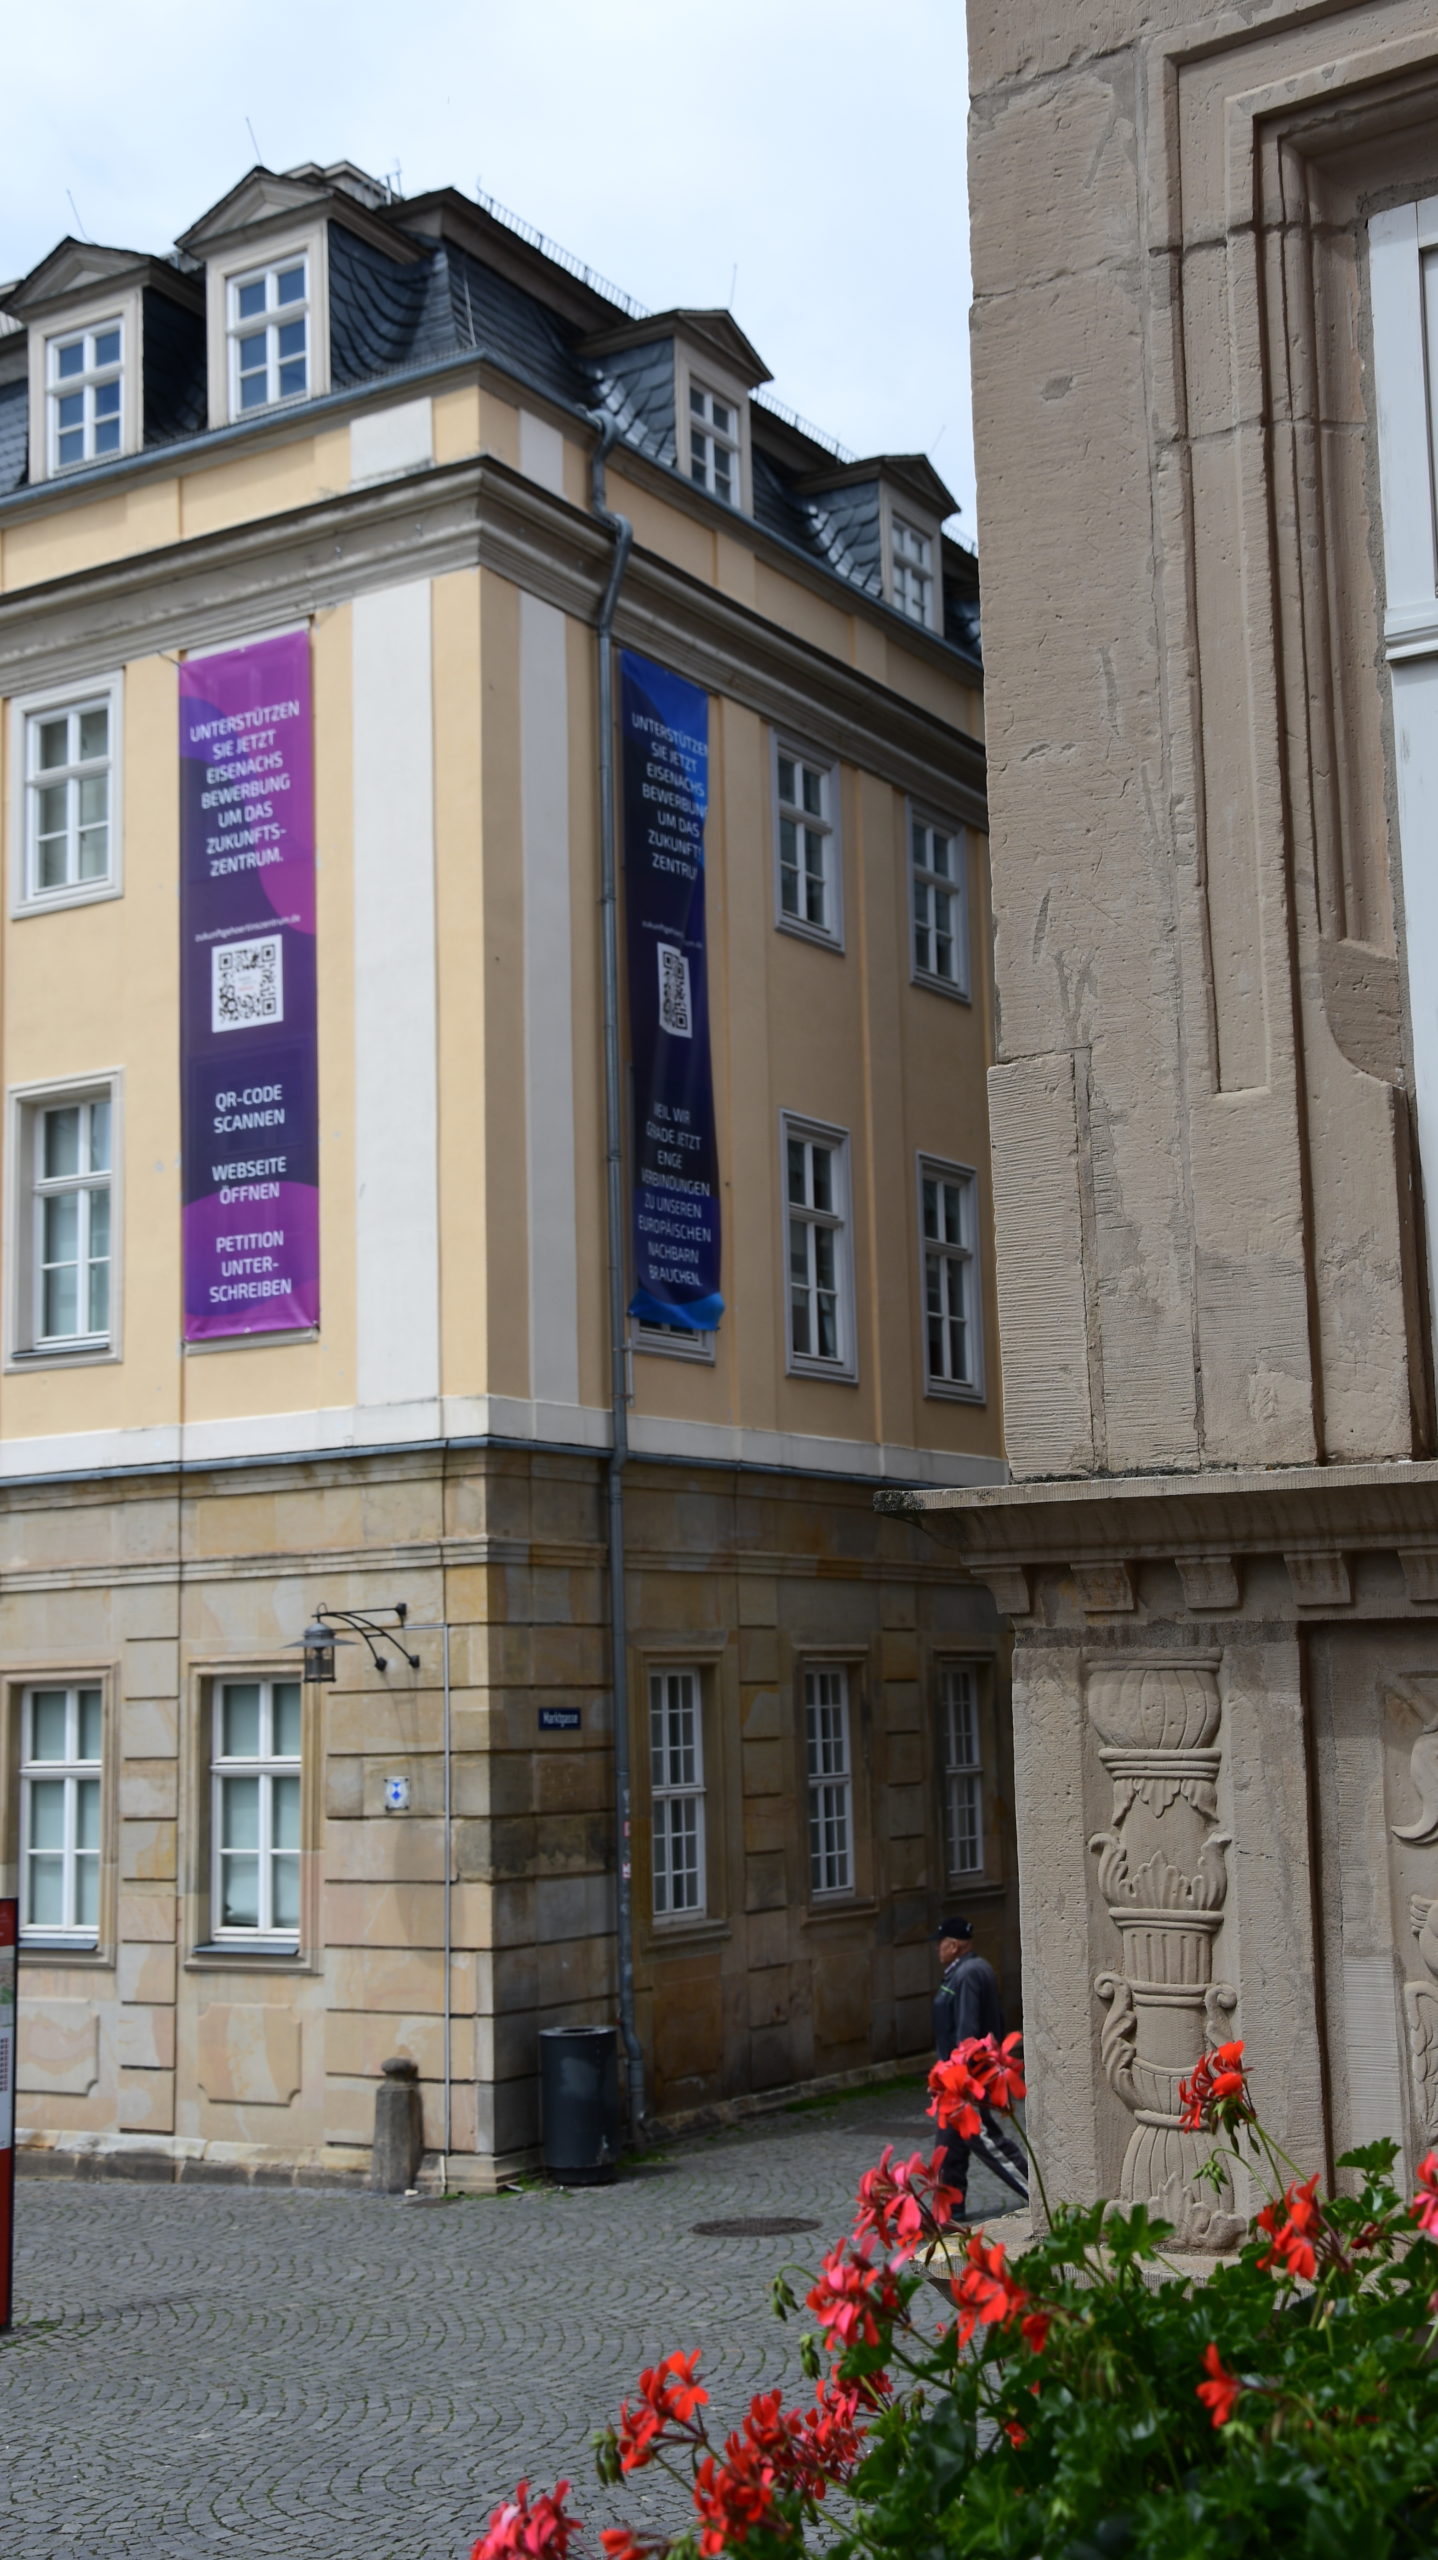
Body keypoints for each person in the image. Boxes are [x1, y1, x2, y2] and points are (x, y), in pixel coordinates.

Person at [931, 1915, 1029, 2217]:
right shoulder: (968, 1969)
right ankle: (948, 2211)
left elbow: (967, 2030)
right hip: (956, 2080)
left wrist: (961, 2075)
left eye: (941, 1944)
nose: (938, 1950)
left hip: (965, 2079)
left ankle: (1043, 2196)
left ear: (954, 1945)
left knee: (986, 2139)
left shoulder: (968, 1973)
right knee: (948, 2145)